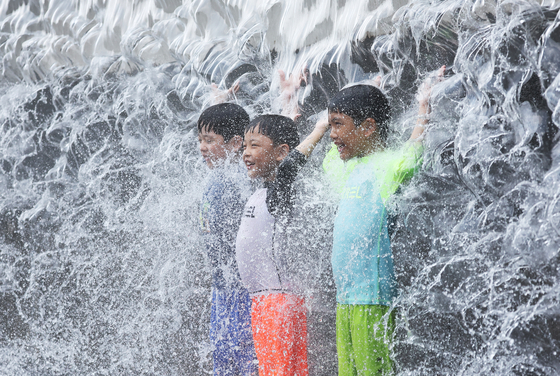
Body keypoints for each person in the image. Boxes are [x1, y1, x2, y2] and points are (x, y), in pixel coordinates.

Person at [323, 67, 446, 375]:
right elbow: (330, 157)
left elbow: (413, 154)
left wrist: (423, 107)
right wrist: (365, 88)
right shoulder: (346, 168)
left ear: (367, 127)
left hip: (371, 295)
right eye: (330, 126)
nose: (332, 134)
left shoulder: (386, 166)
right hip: (345, 297)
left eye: (338, 125)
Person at [235, 70, 329, 376]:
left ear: (279, 154)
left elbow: (288, 165)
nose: (246, 153)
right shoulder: (262, 189)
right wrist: (287, 104)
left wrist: (318, 129)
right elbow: (281, 145)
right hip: (265, 302)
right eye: (245, 146)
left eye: (254, 146)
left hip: (278, 302)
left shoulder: (280, 191)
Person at [197, 102, 258, 376]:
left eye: (209, 140)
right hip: (221, 291)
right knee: (222, 361)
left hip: (244, 292)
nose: (202, 147)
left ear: (235, 143)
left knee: (247, 360)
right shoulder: (215, 177)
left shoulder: (242, 180)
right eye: (200, 140)